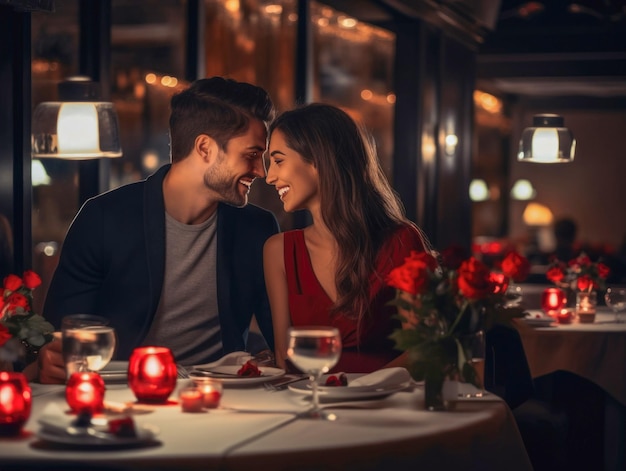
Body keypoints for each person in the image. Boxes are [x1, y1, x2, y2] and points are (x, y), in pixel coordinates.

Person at [36, 77, 279, 383]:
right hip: (123, 394)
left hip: (225, 400)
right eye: (252, 154)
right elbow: (58, 337)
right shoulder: (103, 219)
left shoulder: (257, 229)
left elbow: (286, 344)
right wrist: (50, 359)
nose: (261, 171)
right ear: (205, 148)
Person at [263, 103, 430, 373]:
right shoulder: (278, 251)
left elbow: (424, 347)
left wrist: (358, 392)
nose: (270, 177)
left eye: (278, 160)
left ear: (317, 160)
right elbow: (284, 356)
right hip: (311, 403)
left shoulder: (400, 241)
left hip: (385, 403)